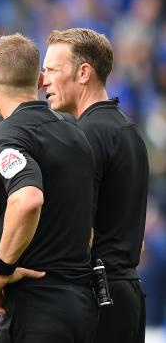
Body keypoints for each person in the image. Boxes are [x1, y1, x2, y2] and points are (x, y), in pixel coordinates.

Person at [0, 33, 98, 343]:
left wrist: (0, 268)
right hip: (82, 305)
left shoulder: (10, 134)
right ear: (38, 80)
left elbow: (29, 199)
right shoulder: (74, 133)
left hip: (38, 306)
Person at [43, 28, 148, 343]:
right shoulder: (128, 131)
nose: (43, 80)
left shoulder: (84, 136)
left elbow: (78, 232)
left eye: (51, 70)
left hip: (98, 298)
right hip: (127, 292)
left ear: (84, 72)